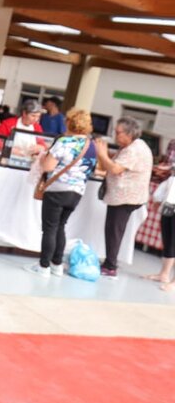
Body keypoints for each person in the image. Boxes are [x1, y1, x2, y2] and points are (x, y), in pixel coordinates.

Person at [25, 110, 97, 277]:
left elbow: (48, 167)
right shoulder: (91, 145)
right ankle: (57, 265)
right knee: (61, 226)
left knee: (50, 228)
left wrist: (43, 157)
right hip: (77, 192)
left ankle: (43, 266)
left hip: (57, 189)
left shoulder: (65, 141)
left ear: (69, 123)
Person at [96, 117, 153, 278]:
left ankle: (110, 266)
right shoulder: (130, 146)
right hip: (125, 195)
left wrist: (102, 154)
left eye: (118, 132)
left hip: (126, 196)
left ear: (129, 133)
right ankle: (109, 262)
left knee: (114, 230)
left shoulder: (134, 149)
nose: (115, 135)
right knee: (113, 229)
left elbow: (115, 169)